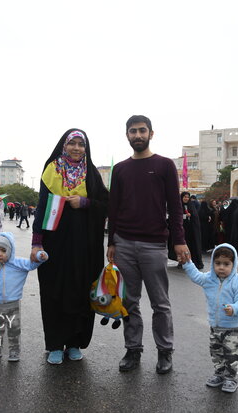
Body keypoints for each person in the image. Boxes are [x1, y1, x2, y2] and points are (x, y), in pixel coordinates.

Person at [107, 115, 188, 375]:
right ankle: (133, 350)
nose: (138, 135)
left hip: (154, 245)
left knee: (160, 304)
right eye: (133, 131)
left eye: (142, 130)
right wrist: (111, 242)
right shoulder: (119, 169)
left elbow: (175, 208)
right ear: (127, 135)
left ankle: (165, 352)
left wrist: (179, 241)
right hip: (124, 244)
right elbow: (114, 208)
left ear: (151, 134)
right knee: (129, 302)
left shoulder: (164, 165)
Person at [31, 128, 108, 365]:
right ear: (64, 145)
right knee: (55, 290)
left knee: (80, 290)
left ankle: (74, 342)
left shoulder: (91, 174)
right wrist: (36, 242)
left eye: (81, 144)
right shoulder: (51, 170)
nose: (77, 148)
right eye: (72, 143)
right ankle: (55, 343)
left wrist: (84, 202)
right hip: (55, 244)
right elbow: (42, 206)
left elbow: (106, 203)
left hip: (85, 246)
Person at [182, 243, 238, 393]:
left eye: (226, 264)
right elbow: (196, 276)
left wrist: (235, 309)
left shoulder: (237, 282)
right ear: (213, 263)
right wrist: (188, 263)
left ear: (234, 264)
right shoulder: (209, 279)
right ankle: (219, 374)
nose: (221, 267)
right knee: (216, 352)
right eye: (218, 263)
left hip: (232, 328)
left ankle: (231, 378)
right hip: (215, 326)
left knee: (231, 353)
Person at [0, 232, 48, 361]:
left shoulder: (18, 263)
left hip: (13, 304)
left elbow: (32, 264)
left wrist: (41, 256)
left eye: (3, 250)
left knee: (14, 330)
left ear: (10, 250)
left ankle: (14, 352)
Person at [180, 191, 204, 269]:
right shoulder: (179, 205)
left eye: (187, 197)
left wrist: (191, 215)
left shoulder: (191, 205)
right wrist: (184, 216)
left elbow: (195, 217)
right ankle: (183, 262)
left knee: (193, 245)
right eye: (185, 197)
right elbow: (177, 216)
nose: (186, 198)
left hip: (192, 230)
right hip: (183, 230)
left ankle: (194, 262)